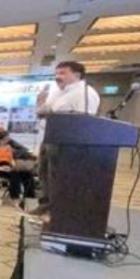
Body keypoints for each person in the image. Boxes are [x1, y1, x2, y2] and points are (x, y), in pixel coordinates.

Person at [33, 60, 101, 216]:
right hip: (50, 137)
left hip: (67, 144)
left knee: (60, 176)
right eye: (57, 73)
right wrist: (40, 104)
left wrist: (51, 113)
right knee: (43, 172)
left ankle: (60, 209)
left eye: (63, 73)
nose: (58, 76)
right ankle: (46, 204)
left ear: (77, 75)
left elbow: (84, 122)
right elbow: (44, 112)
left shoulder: (85, 93)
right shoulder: (57, 92)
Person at [0, 131, 36, 207]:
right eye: (6, 139)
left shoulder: (8, 147)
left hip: (7, 166)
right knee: (14, 173)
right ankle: (15, 197)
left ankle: (29, 197)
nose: (8, 140)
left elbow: (11, 160)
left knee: (27, 174)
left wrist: (14, 166)